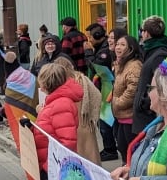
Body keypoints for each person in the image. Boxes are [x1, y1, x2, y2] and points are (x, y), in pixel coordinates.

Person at [53, 58, 102, 167]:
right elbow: (97, 95)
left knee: (78, 159)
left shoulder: (61, 84)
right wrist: (91, 113)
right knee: (91, 157)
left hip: (72, 123)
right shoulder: (83, 79)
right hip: (86, 122)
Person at [85, 23, 119, 161]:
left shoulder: (104, 52)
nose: (89, 40)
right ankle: (109, 147)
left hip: (107, 89)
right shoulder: (101, 48)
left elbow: (97, 68)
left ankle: (110, 149)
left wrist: (88, 53)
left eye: (90, 37)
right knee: (104, 121)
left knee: (106, 121)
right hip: (104, 88)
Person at [134, 15, 167, 134]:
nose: (141, 34)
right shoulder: (151, 51)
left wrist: (145, 102)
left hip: (149, 113)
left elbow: (165, 81)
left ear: (147, 33)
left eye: (142, 31)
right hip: (144, 112)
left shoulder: (161, 54)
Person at [111, 35, 143, 163]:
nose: (118, 47)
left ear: (131, 48)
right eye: (117, 44)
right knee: (123, 149)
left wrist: (118, 103)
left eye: (122, 45)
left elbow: (133, 90)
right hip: (121, 117)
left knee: (130, 152)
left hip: (130, 117)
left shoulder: (134, 65)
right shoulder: (121, 64)